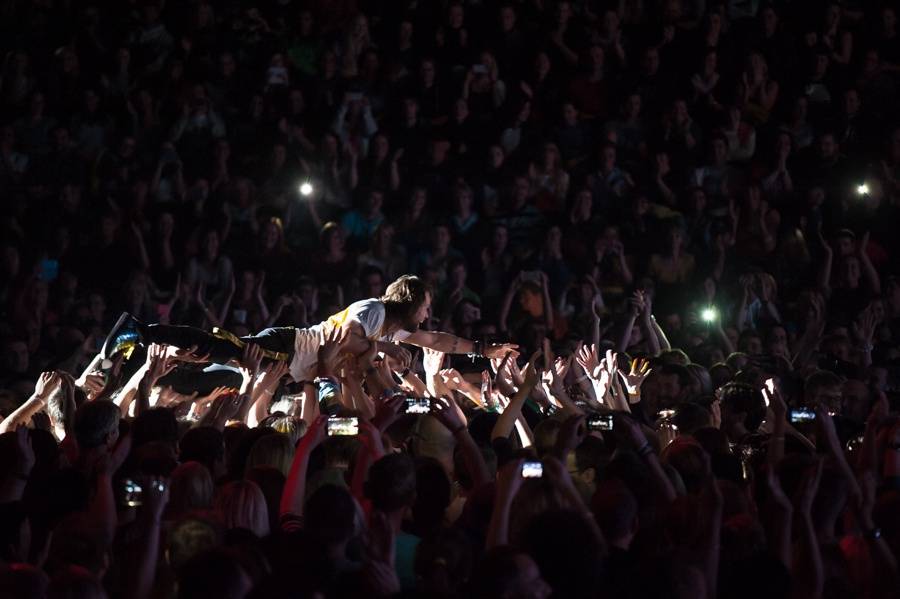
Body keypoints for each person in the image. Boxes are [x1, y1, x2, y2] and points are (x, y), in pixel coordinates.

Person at [112, 275, 517, 382]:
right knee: (216, 349)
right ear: (410, 302)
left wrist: (484, 349)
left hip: (291, 363)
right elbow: (351, 336)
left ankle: (142, 344)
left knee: (205, 365)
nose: (427, 316)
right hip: (289, 348)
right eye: (426, 307)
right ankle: (141, 332)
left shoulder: (391, 327)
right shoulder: (374, 311)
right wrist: (383, 352)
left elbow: (438, 340)